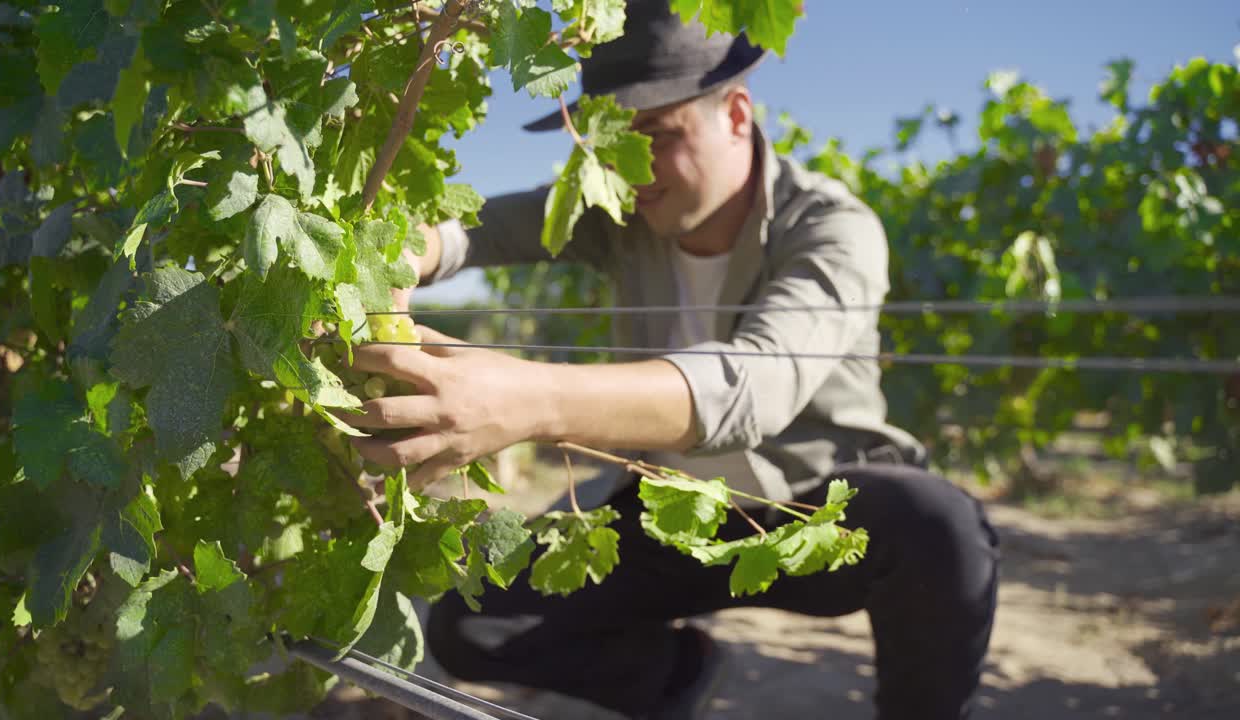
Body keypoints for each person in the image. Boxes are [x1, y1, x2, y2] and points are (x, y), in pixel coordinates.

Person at [338, 2, 1001, 718]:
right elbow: (478, 230)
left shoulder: (833, 228)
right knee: (475, 626)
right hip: (672, 510)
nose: (634, 168)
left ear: (737, 114)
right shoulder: (615, 210)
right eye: (611, 143)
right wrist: (404, 252)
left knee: (941, 529)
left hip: (809, 510)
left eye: (658, 132)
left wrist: (527, 401)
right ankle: (679, 676)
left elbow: (757, 383)